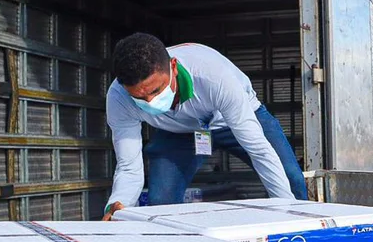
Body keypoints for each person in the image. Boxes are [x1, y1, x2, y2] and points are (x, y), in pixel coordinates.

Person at [102, 34, 308, 220]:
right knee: (161, 201)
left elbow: (259, 150)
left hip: (236, 118)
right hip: (178, 131)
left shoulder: (213, 77)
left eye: (157, 90)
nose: (151, 102)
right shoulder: (118, 98)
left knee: (291, 180)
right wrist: (118, 206)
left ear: (173, 67)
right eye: (139, 98)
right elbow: (128, 167)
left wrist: (288, 214)